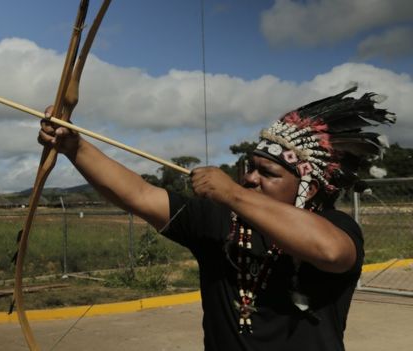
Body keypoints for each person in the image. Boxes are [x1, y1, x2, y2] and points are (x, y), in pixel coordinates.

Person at [37, 85, 396, 350]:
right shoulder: (220, 220)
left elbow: (331, 252)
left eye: (267, 174)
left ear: (310, 189)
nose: (251, 178)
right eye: (249, 168)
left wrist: (232, 193)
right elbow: (139, 195)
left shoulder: (336, 226)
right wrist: (75, 147)